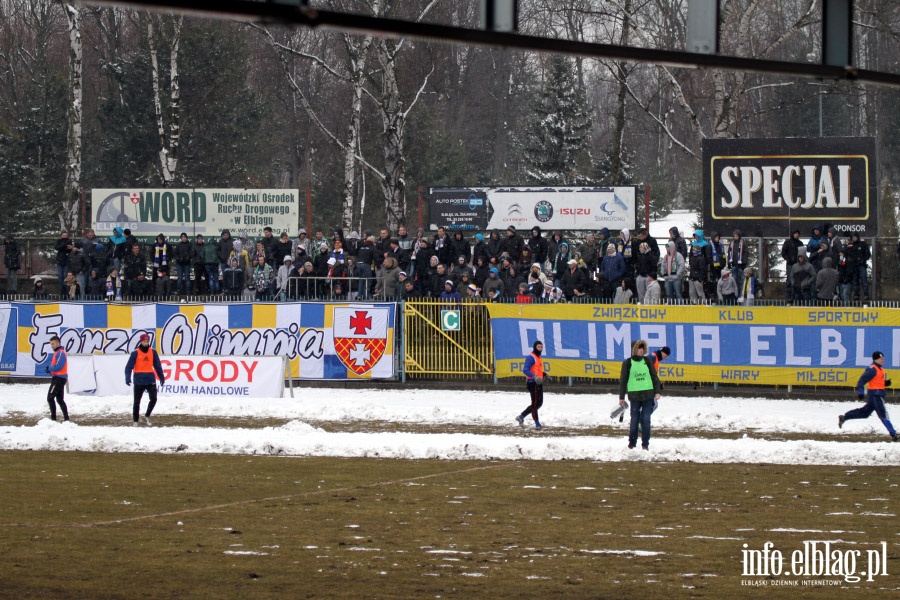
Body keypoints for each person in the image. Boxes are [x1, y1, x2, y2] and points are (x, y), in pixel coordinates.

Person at [839, 351, 897, 442]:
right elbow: (862, 380)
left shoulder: (879, 369)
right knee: (884, 415)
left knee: (864, 413)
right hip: (876, 396)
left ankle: (844, 417)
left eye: (883, 358)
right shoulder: (872, 369)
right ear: (876, 359)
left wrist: (885, 383)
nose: (883, 360)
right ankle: (893, 434)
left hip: (874, 395)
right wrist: (861, 391)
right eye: (881, 359)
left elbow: (876, 381)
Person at [618, 339, 662, 450]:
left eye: (642, 348)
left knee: (646, 420)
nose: (641, 350)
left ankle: (645, 445)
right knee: (634, 420)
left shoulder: (647, 361)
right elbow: (623, 380)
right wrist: (621, 397)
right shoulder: (627, 363)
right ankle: (632, 444)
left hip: (648, 395)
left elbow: (654, 377)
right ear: (634, 350)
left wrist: (657, 391)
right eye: (639, 348)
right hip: (635, 396)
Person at [124, 333, 165, 426]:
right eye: (144, 341)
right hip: (139, 381)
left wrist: (161, 377)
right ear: (141, 341)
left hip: (150, 380)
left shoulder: (153, 352)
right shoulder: (135, 353)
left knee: (154, 399)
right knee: (137, 402)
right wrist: (127, 377)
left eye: (147, 341)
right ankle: (135, 420)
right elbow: (128, 367)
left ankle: (147, 415)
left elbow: (157, 366)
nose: (146, 343)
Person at [515, 340, 546, 430]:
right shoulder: (531, 357)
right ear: (534, 347)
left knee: (538, 403)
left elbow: (536, 370)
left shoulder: (539, 357)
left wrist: (544, 374)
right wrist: (534, 376)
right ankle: (537, 424)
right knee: (535, 404)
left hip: (538, 382)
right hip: (533, 383)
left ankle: (521, 417)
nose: (540, 348)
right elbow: (525, 370)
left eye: (541, 347)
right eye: (538, 347)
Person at [46, 335, 69, 422]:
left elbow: (59, 366)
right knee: (59, 400)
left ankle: (53, 419)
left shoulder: (60, 353)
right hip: (60, 378)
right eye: (51, 344)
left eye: (53, 344)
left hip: (58, 379)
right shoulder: (59, 352)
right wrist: (50, 370)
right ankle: (66, 419)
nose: (52, 346)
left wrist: (50, 368)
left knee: (50, 398)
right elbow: (57, 367)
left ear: (58, 343)